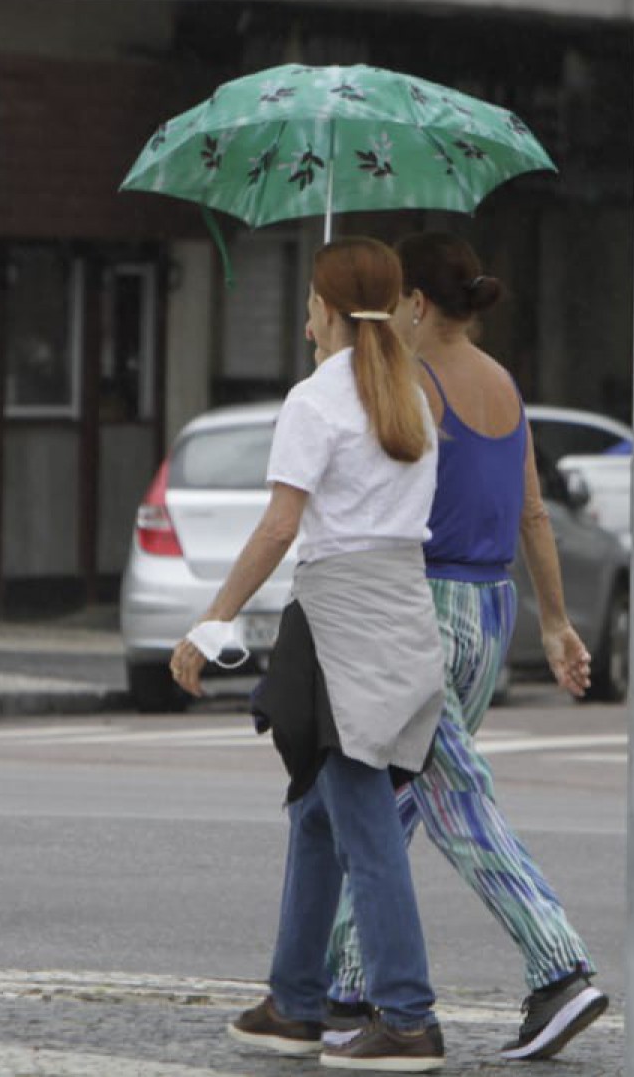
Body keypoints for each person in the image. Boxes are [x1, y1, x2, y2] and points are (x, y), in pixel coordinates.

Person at [323, 231, 608, 1063]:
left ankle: (559, 966)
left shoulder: (416, 382)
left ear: (414, 303)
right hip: (493, 609)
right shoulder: (507, 387)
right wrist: (554, 623)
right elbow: (534, 515)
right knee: (395, 796)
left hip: (426, 605)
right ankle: (346, 984)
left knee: (451, 796)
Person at [169, 237, 450, 1072]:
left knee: (362, 820)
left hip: (337, 616)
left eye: (307, 303)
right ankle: (294, 999)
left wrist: (212, 619)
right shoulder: (413, 395)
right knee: (320, 810)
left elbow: (283, 525)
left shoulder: (315, 401)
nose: (302, 318)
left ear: (326, 310)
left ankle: (408, 1016)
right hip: (400, 607)